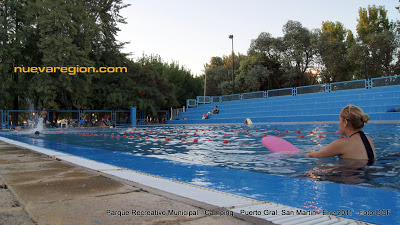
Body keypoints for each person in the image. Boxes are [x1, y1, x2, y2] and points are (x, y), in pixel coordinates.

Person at [306, 105, 375, 162]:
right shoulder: (369, 139)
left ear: (345, 122)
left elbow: (312, 155)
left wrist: (300, 153)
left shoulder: (341, 144)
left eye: (339, 120)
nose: (338, 123)